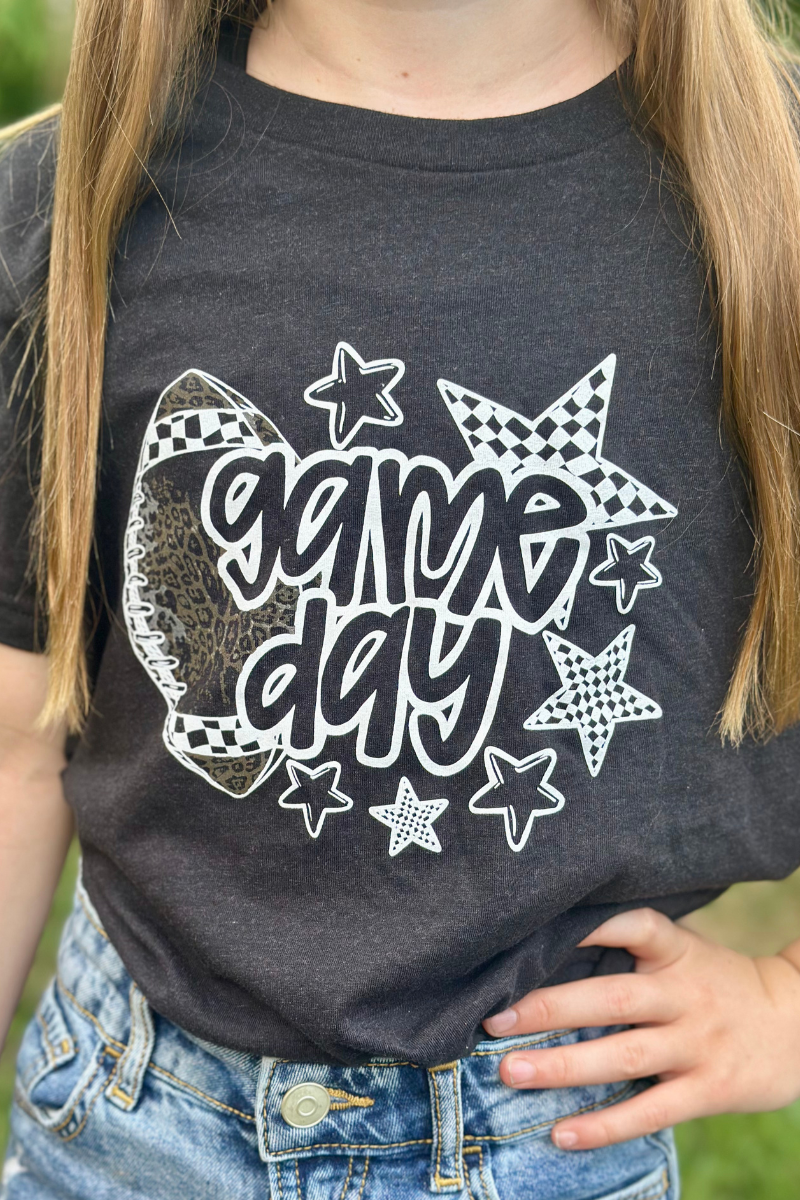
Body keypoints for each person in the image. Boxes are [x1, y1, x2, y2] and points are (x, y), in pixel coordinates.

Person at [2, 0, 800, 1195]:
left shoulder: (770, 180)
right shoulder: (72, 195)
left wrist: (784, 1002)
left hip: (550, 1134)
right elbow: (14, 744)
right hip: (125, 1122)